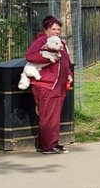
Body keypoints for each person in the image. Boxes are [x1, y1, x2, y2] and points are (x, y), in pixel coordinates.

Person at [25, 15, 73, 154]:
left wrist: (69, 73)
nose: (57, 32)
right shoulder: (41, 41)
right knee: (48, 116)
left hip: (59, 85)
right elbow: (30, 55)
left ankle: (48, 143)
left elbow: (65, 61)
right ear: (46, 29)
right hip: (46, 84)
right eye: (53, 29)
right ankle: (49, 145)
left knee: (53, 116)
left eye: (58, 29)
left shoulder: (61, 43)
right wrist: (48, 57)